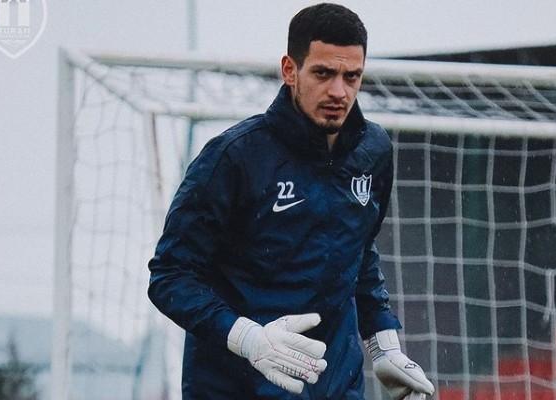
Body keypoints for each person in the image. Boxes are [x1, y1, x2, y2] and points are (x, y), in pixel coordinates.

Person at [148, 3, 434, 399]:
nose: (339, 91)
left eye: (352, 76)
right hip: (237, 388)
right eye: (323, 73)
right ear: (289, 70)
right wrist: (248, 339)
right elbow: (170, 276)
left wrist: (383, 344)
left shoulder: (373, 151)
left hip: (335, 384)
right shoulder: (234, 157)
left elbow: (359, 251)